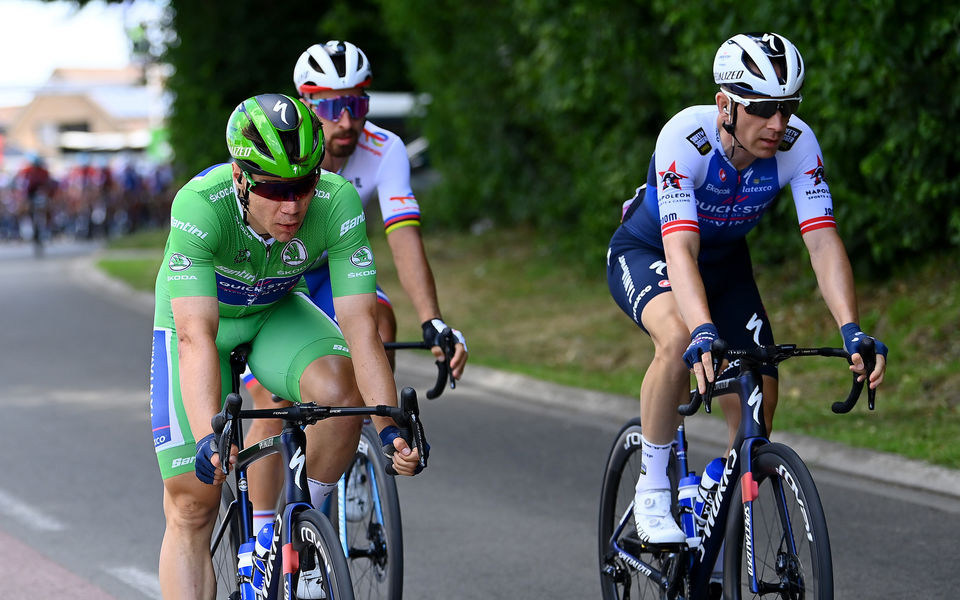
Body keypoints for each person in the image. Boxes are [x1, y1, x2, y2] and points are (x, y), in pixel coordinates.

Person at [606, 32, 888, 546]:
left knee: (761, 398)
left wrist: (852, 330)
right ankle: (651, 487)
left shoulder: (797, 145)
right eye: (762, 110)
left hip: (726, 264)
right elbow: (682, 252)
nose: (778, 125)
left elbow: (823, 243)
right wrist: (703, 329)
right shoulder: (684, 138)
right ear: (725, 105)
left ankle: (715, 499)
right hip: (652, 252)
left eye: (787, 108)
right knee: (676, 341)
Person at [150, 93, 422, 600]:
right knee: (192, 504)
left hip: (275, 310)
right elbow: (195, 337)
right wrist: (213, 433)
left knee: (342, 394)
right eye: (275, 189)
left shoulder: (335, 202)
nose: (293, 205)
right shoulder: (198, 207)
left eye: (303, 185)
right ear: (240, 178)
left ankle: (301, 533)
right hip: (201, 326)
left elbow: (361, 326)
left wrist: (388, 427)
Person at [242, 40, 468, 533]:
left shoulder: (384, 148)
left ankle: (362, 444)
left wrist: (432, 319)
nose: (346, 120)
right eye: (329, 105)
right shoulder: (284, 148)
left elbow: (404, 234)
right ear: (304, 104)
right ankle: (261, 537)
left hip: (331, 272)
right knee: (269, 400)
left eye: (357, 103)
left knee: (379, 320)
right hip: (276, 278)